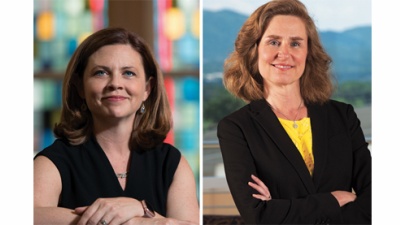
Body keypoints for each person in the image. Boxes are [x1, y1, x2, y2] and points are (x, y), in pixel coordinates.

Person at [217, 0, 371, 224]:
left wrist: (282, 208)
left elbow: (375, 197)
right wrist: (333, 200)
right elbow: (258, 215)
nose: (284, 53)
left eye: (296, 43)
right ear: (254, 51)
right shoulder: (236, 128)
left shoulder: (343, 116)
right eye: (273, 42)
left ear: (308, 53)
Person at [34, 27, 199, 225]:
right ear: (80, 87)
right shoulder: (53, 161)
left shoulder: (171, 163)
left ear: (147, 88)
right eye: (101, 72)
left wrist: (140, 210)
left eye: (128, 73)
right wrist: (133, 221)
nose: (115, 83)